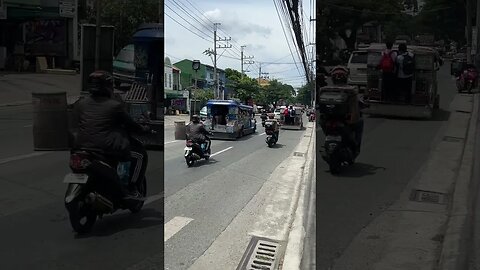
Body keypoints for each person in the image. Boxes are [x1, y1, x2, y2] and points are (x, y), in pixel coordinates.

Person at [72, 70, 149, 205]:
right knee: (140, 155)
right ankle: (132, 188)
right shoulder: (115, 106)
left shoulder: (81, 103)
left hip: (80, 147)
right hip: (105, 148)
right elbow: (131, 124)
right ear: (108, 87)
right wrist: (144, 129)